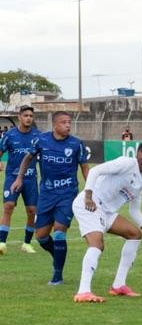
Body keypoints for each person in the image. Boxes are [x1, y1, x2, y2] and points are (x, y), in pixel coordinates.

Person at [12, 111, 90, 284]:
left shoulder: (76, 144)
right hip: (46, 194)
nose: (68, 125)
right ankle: (58, 254)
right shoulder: (42, 140)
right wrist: (19, 178)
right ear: (55, 125)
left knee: (60, 232)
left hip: (67, 194)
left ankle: (57, 274)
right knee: (41, 237)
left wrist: (89, 190)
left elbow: (85, 167)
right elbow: (27, 158)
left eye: (69, 122)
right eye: (64, 122)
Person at [71, 144, 142, 302]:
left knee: (135, 234)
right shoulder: (128, 163)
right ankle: (83, 291)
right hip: (90, 202)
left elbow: (135, 211)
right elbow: (95, 170)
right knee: (97, 244)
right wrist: (88, 195)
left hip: (106, 211)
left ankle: (119, 285)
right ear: (139, 153)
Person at [0, 106, 42, 255]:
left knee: (32, 211)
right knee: (9, 206)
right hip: (12, 177)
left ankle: (27, 243)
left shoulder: (38, 136)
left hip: (30, 179)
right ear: (19, 117)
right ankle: (2, 243)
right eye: (26, 115)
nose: (29, 118)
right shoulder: (9, 135)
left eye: (31, 115)